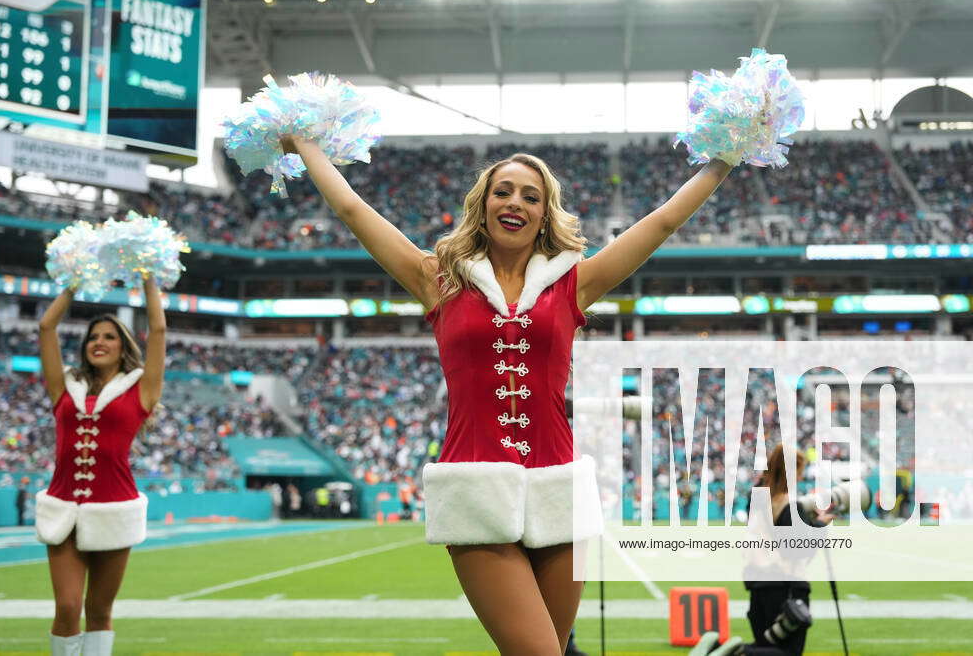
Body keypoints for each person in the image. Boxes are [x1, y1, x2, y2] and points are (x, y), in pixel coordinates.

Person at [282, 133, 732, 655]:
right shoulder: (439, 280)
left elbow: (662, 223)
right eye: (503, 191)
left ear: (545, 215)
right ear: (483, 204)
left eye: (530, 196)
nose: (515, 202)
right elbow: (352, 209)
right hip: (476, 493)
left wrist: (726, 155)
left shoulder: (572, 284)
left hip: (559, 492)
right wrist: (304, 142)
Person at [35, 276, 165, 656]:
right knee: (68, 606)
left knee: (98, 610)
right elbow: (46, 327)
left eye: (109, 336)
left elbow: (158, 329)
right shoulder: (64, 388)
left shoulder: (142, 389)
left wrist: (148, 278)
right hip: (63, 509)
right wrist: (74, 285)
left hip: (114, 508)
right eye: (93, 337)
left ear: (123, 346)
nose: (99, 342)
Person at [690, 444, 834, 656]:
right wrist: (820, 527)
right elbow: (795, 551)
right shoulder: (790, 506)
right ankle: (736, 653)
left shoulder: (756, 500)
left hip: (758, 584)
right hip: (786, 586)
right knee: (787, 652)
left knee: (765, 646)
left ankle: (718, 649)